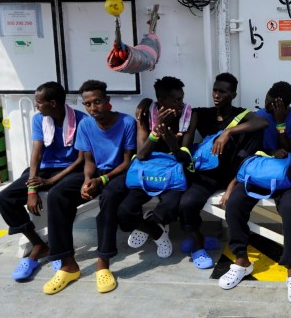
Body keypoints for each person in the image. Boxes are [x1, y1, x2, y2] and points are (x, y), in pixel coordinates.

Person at [43, 80, 136, 295]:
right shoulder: (85, 125)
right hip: (95, 172)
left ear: (107, 101)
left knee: (110, 197)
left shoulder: (126, 123)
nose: (93, 108)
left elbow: (127, 161)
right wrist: (86, 180)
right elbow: (88, 161)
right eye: (88, 104)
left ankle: (102, 263)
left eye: (97, 102)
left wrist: (103, 180)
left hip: (119, 174)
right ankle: (67, 264)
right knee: (57, 194)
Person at [219, 81, 291, 303]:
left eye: (276, 102)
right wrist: (232, 184)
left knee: (290, 209)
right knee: (235, 204)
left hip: (287, 176)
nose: (270, 103)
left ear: (286, 105)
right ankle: (241, 260)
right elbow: (248, 152)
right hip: (260, 174)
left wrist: (280, 125)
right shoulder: (259, 115)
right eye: (269, 98)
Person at [0, 81, 86, 281]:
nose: (36, 105)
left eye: (39, 101)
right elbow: (36, 154)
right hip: (44, 169)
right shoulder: (39, 120)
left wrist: (51, 180)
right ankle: (39, 244)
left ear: (53, 103)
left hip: (69, 170)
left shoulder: (81, 120)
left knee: (57, 198)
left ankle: (60, 250)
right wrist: (32, 190)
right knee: (5, 198)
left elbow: (81, 160)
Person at [178, 72, 267, 270]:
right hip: (207, 175)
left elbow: (262, 122)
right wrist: (146, 103)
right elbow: (179, 112)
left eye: (222, 92)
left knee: (254, 135)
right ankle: (198, 242)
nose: (216, 95)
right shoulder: (202, 113)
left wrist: (228, 132)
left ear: (233, 94)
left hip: (234, 176)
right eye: (215, 90)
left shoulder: (241, 114)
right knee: (187, 203)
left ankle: (239, 253)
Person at [119, 76, 196, 258]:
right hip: (147, 172)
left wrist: (172, 144)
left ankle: (152, 223)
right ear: (161, 102)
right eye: (176, 100)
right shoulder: (146, 114)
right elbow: (142, 155)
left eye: (181, 98)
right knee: (124, 212)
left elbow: (183, 157)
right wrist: (155, 133)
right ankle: (157, 233)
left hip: (172, 172)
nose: (180, 104)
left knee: (170, 208)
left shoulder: (189, 115)